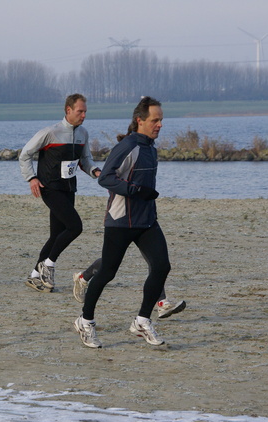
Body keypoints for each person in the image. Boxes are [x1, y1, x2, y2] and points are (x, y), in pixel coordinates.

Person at [73, 96, 172, 349]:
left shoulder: (151, 147)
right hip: (120, 221)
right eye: (155, 120)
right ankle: (85, 321)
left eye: (161, 120)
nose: (159, 124)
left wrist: (149, 202)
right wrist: (136, 191)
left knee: (161, 267)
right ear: (140, 121)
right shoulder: (128, 146)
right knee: (107, 272)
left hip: (147, 221)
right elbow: (105, 178)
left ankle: (142, 320)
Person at [19, 93, 101, 292]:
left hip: (69, 189)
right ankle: (49, 265)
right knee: (75, 227)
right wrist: (32, 178)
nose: (83, 115)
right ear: (68, 110)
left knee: (56, 235)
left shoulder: (83, 134)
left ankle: (34, 275)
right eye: (80, 111)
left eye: (85, 112)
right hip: (50, 188)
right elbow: (25, 154)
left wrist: (96, 171)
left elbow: (85, 159)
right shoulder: (50, 132)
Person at [73, 258, 186, 318]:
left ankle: (161, 302)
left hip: (143, 222)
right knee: (110, 260)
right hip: (121, 222)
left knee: (156, 261)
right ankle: (83, 278)